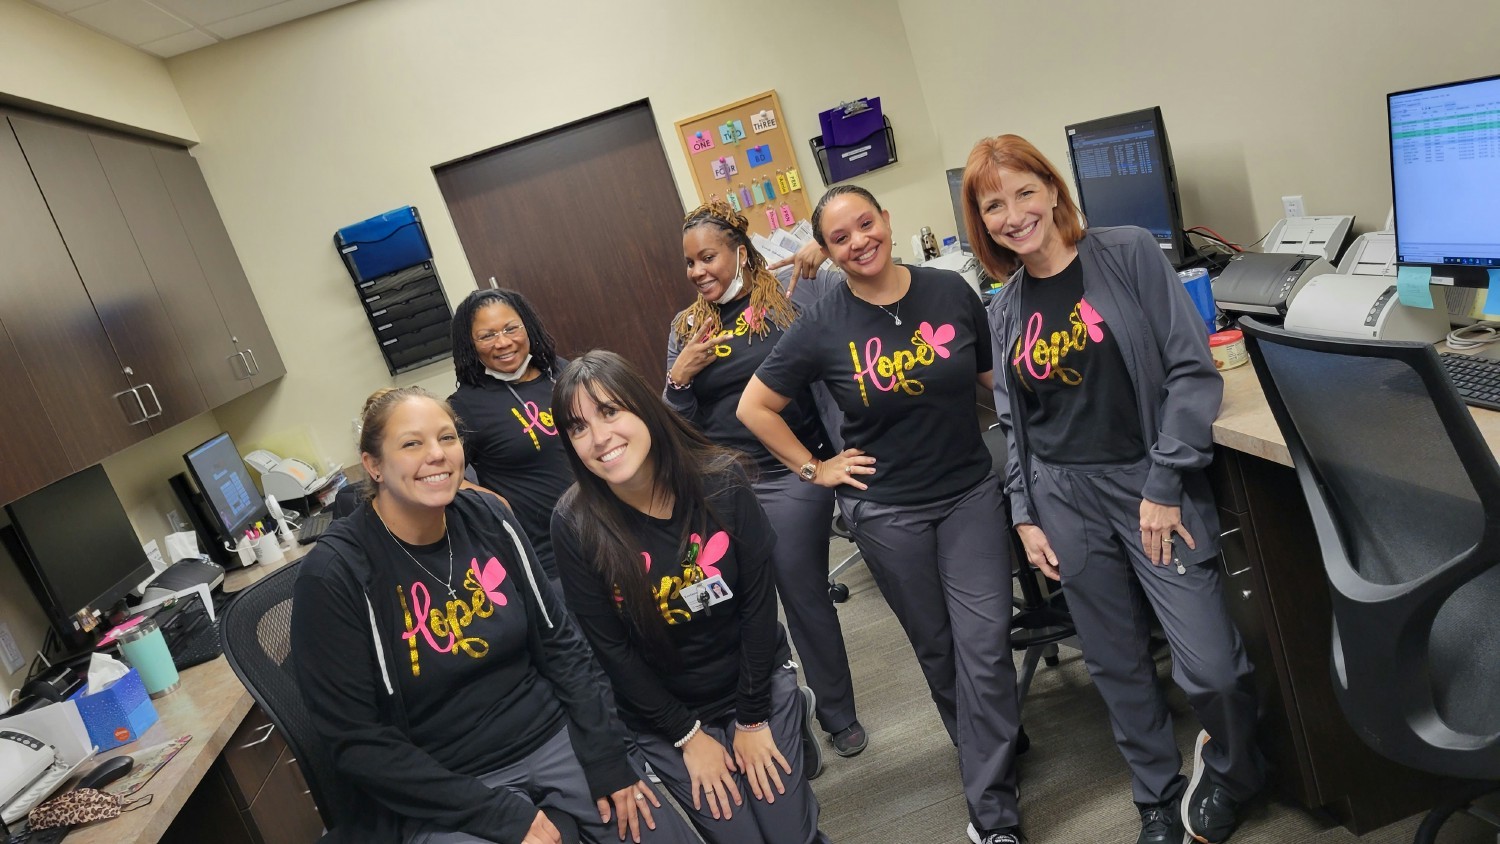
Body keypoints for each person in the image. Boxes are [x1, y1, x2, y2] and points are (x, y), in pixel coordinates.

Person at [966, 134, 1262, 844]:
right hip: (1063, 497)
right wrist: (1026, 516)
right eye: (993, 205)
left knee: (1211, 667)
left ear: (1053, 188)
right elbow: (1014, 422)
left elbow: (1194, 375)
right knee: (1116, 663)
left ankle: (1233, 766)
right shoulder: (1004, 308)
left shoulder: (1128, 255)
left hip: (1146, 483)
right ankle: (1155, 797)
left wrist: (1164, 481)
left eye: (1024, 192)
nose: (1014, 215)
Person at [737, 186, 1026, 844]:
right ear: (828, 252)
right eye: (840, 238)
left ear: (887, 221)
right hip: (887, 513)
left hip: (968, 495)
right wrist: (817, 469)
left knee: (983, 650)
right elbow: (755, 408)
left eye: (866, 224)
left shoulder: (949, 293)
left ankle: (994, 817)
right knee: (940, 652)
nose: (859, 241)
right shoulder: (821, 321)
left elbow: (992, 378)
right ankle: (995, 756)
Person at [291, 386, 698, 844]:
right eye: (411, 444)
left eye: (447, 438)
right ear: (373, 465)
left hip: (554, 739)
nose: (437, 456)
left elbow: (563, 645)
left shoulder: (488, 517)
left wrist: (606, 756)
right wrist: (497, 814)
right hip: (449, 783)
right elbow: (357, 741)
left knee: (655, 830)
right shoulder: (335, 575)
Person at [550, 350, 831, 844]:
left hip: (753, 679)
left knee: (788, 837)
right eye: (578, 427)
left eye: (610, 412)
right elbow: (611, 651)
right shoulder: (574, 523)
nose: (599, 439)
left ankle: (791, 712)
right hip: (666, 714)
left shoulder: (720, 480)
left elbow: (759, 606)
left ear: (644, 408)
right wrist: (687, 736)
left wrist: (752, 715)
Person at [666, 199, 865, 760]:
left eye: (708, 257)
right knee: (730, 608)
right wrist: (678, 380)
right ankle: (778, 711)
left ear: (739, 251)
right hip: (721, 488)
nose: (699, 271)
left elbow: (854, 274)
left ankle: (838, 711)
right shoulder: (685, 328)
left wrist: (822, 250)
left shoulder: (787, 303)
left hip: (791, 472)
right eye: (689, 263)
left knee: (800, 592)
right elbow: (673, 424)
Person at [449, 289, 571, 588]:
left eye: (510, 328)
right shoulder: (464, 407)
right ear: (470, 345)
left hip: (613, 533)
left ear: (527, 326)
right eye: (487, 335)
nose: (503, 342)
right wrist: (487, 498)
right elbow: (440, 472)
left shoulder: (562, 373)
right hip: (550, 561)